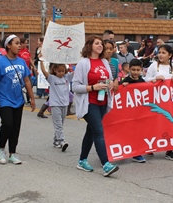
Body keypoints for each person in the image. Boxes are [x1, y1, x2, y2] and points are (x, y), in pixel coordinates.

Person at [72, 35, 119, 177]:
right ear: (90, 46)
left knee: (91, 132)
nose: (100, 45)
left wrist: (110, 84)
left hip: (103, 101)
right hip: (89, 102)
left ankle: (82, 160)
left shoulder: (104, 62)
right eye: (97, 43)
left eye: (101, 44)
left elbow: (109, 79)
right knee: (99, 131)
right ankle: (106, 164)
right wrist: (93, 87)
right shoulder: (83, 63)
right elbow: (75, 86)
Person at [0, 35, 36, 165]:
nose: (19, 45)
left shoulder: (21, 62)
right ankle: (1, 149)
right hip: (4, 99)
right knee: (8, 124)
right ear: (8, 45)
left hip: (18, 99)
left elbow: (27, 80)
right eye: (16, 43)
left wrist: (32, 98)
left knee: (16, 127)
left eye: (19, 43)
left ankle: (12, 153)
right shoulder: (0, 62)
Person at [144, 44, 173, 161]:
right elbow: (145, 80)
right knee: (154, 123)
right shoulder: (154, 66)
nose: (160, 55)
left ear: (170, 55)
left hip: (169, 101)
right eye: (159, 52)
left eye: (163, 53)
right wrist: (155, 79)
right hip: (156, 100)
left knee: (170, 123)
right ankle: (151, 146)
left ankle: (169, 150)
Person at [39, 61, 73, 152]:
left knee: (61, 123)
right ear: (54, 70)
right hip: (55, 104)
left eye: (63, 71)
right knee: (58, 124)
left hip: (65, 104)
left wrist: (74, 64)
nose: (61, 73)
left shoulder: (67, 77)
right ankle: (62, 141)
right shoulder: (52, 79)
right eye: (59, 71)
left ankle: (56, 140)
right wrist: (41, 61)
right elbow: (43, 71)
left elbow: (77, 72)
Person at [120, 59, 147, 162]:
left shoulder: (142, 81)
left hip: (139, 113)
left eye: (138, 70)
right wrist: (122, 86)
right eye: (133, 70)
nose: (135, 72)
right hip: (127, 113)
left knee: (138, 133)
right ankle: (123, 151)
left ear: (141, 70)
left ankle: (137, 154)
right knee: (125, 133)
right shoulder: (125, 81)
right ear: (129, 69)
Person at [18, 38, 36, 105]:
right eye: (25, 43)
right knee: (21, 85)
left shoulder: (26, 50)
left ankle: (29, 99)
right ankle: (22, 98)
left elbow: (29, 58)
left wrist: (34, 67)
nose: (26, 44)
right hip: (21, 71)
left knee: (30, 84)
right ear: (21, 43)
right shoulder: (19, 51)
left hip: (27, 70)